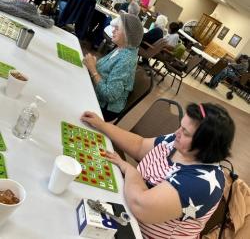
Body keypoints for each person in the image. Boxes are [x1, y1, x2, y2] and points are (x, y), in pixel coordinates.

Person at [80, 102, 235, 238]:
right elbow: (139, 145)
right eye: (180, 126)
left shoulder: (202, 183)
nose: (176, 133)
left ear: (205, 145)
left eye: (185, 132)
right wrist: (103, 125)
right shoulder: (177, 144)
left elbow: (140, 204)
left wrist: (129, 169)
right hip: (126, 210)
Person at [84, 13, 144, 122]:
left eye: (117, 29)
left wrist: (93, 69)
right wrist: (95, 63)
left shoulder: (126, 59)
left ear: (127, 34)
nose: (112, 31)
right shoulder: (122, 48)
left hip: (103, 108)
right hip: (97, 95)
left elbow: (109, 95)